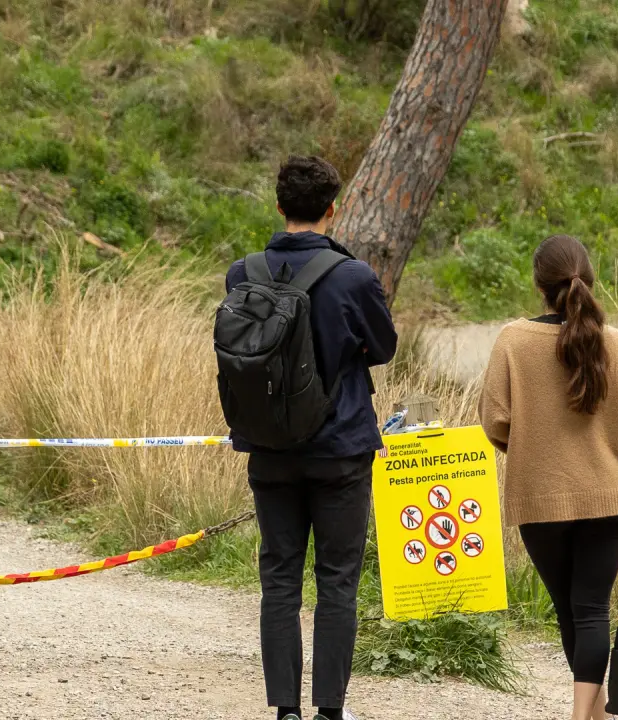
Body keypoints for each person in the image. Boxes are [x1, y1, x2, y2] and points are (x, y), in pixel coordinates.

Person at [223, 155, 398, 720]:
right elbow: (384, 347)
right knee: (337, 582)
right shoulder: (353, 277)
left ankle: (286, 711)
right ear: (333, 209)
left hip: (269, 448)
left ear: (279, 206)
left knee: (279, 580)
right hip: (341, 448)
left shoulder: (242, 274)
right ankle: (328, 711)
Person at [478, 234, 618, 720]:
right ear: (589, 279)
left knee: (570, 610)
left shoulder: (513, 341)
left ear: (538, 284)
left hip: (539, 498)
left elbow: (495, 420)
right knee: (590, 610)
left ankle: (583, 716)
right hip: (611, 500)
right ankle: (591, 715)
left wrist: (533, 450)